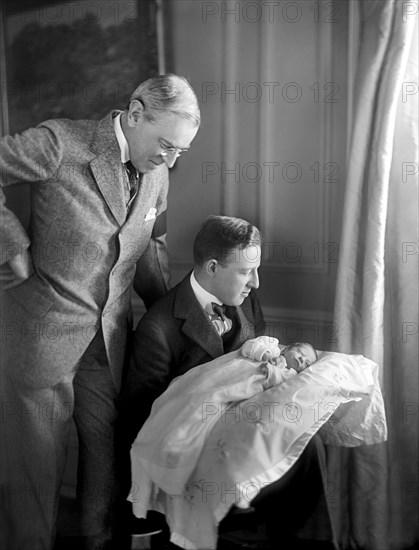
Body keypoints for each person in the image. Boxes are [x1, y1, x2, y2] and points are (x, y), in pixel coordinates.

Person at [0, 73, 200, 550]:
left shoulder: (157, 175)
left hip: (108, 340)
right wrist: (11, 248)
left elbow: (149, 247)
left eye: (180, 153)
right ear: (134, 114)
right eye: (165, 145)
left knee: (106, 450)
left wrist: (174, 314)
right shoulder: (60, 142)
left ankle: (97, 541)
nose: (169, 160)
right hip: (42, 333)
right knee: (40, 463)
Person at [117, 215, 336, 548]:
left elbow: (261, 360)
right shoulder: (158, 328)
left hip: (250, 422)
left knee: (306, 439)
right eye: (247, 272)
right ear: (213, 268)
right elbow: (141, 418)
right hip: (199, 448)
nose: (256, 282)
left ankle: (304, 541)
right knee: (297, 450)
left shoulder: (246, 301)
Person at [242, 336, 318, 372]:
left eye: (307, 364)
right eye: (300, 352)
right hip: (241, 369)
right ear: (286, 349)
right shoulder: (273, 347)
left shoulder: (289, 376)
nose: (302, 359)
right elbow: (249, 344)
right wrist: (265, 354)